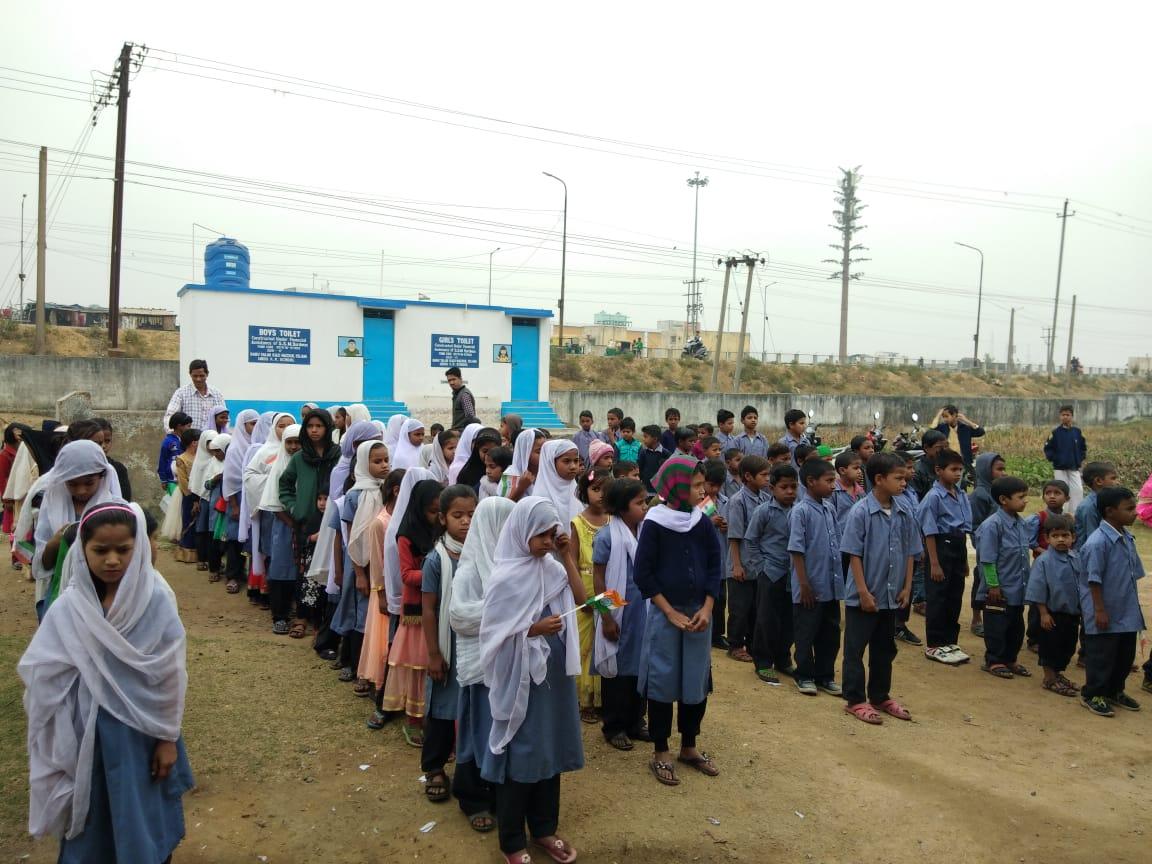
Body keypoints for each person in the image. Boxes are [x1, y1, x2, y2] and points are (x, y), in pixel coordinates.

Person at [19, 501, 193, 862]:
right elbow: (44, 668)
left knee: (141, 812)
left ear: (138, 548)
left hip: (140, 734)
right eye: (100, 550)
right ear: (82, 550)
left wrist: (167, 738)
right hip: (87, 735)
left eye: (123, 550)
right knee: (93, 814)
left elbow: (168, 674)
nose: (112, 560)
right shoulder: (71, 605)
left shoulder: (154, 600)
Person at [478, 496, 585, 863]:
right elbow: (492, 636)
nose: (546, 542)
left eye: (551, 534)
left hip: (554, 679)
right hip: (521, 678)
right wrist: (533, 629)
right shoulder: (505, 578)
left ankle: (544, 829)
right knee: (522, 751)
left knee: (549, 748)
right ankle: (512, 841)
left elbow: (581, 598)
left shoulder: (552, 569)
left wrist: (566, 556)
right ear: (522, 530)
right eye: (540, 535)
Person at [634, 457, 721, 787]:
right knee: (662, 680)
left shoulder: (701, 521)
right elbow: (643, 573)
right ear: (676, 487)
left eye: (702, 484)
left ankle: (689, 746)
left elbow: (714, 565)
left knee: (695, 681)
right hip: (666, 614)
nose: (702, 491)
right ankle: (661, 750)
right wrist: (669, 612)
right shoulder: (655, 523)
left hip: (699, 614)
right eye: (695, 485)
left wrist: (708, 607)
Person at [447, 495, 515, 833]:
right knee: (479, 732)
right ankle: (472, 797)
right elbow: (459, 616)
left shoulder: (516, 564)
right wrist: (504, 614)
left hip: (509, 667)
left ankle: (500, 795)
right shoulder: (470, 569)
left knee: (504, 735)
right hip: (480, 668)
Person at [839, 452, 921, 724]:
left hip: (891, 595)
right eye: (898, 478)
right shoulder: (861, 512)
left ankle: (880, 695)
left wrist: (907, 587)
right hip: (865, 596)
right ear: (879, 479)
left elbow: (911, 551)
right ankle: (855, 699)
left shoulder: (904, 510)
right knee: (855, 649)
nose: (904, 483)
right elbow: (854, 554)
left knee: (885, 649)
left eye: (905, 478)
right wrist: (863, 592)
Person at [421, 484, 480, 808]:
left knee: (471, 709)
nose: (466, 521)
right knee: (442, 711)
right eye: (458, 515)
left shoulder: (482, 552)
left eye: (472, 514)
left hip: (474, 643)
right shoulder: (436, 559)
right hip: (448, 645)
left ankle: (471, 771)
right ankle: (434, 768)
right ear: (443, 518)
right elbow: (429, 609)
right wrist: (434, 653)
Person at [382, 478, 445, 746]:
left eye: (440, 511)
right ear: (419, 508)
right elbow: (407, 575)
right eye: (432, 511)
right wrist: (439, 572)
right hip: (417, 611)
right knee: (418, 665)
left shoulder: (444, 531)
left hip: (441, 606)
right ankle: (414, 719)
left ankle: (435, 717)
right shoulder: (406, 535)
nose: (437, 517)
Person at [593, 477, 650, 751]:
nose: (645, 507)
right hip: (618, 612)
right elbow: (599, 579)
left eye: (645, 502)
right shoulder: (607, 536)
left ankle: (636, 720)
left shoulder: (646, 532)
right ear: (622, 507)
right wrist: (606, 617)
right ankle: (614, 725)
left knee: (642, 665)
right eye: (639, 503)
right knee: (617, 670)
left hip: (643, 610)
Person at [1077, 486, 1145, 717]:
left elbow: (1132, 574)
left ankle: (1115, 690)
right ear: (1110, 511)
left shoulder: (1127, 538)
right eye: (1129, 509)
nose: (1135, 513)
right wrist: (1099, 610)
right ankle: (1093, 694)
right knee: (1102, 656)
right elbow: (1093, 580)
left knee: (1124, 655)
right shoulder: (1097, 542)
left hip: (1125, 609)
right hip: (1104, 610)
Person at [337, 440, 392, 692]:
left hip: (383, 564)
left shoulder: (389, 491)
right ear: (362, 463)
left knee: (377, 618)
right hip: (361, 564)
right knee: (359, 616)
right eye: (377, 461)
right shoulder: (355, 495)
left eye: (386, 460)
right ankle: (355, 666)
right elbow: (352, 537)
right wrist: (359, 573)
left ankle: (376, 669)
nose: (384, 465)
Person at [788, 458, 843, 696]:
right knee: (806, 632)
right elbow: (796, 550)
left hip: (830, 585)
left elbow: (836, 544)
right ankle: (804, 674)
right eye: (829, 481)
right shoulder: (800, 511)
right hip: (810, 586)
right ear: (811, 482)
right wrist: (804, 584)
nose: (833, 486)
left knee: (830, 634)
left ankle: (825, 675)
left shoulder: (829, 509)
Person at [915, 449, 973, 666]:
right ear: (939, 470)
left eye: (960, 470)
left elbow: (964, 529)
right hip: (940, 546)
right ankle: (935, 644)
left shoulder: (961, 494)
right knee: (938, 596)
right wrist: (934, 563)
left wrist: (964, 560)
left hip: (958, 546)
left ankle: (950, 641)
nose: (958, 474)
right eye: (953, 469)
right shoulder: (933, 497)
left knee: (954, 595)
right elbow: (929, 531)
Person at [974, 476, 1032, 680]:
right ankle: (994, 660)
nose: (1025, 501)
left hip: (1017, 588)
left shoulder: (1021, 523)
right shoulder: (993, 525)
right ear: (1003, 500)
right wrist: (993, 585)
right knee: (997, 627)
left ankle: (1010, 658)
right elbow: (988, 559)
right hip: (999, 590)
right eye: (1020, 497)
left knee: (1016, 627)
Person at [747, 463, 798, 684]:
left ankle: (783, 659)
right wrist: (762, 567)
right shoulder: (763, 511)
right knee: (767, 619)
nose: (789, 491)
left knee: (790, 619)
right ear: (772, 488)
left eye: (793, 487)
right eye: (784, 487)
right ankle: (763, 662)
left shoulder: (800, 510)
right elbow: (751, 540)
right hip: (771, 572)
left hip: (794, 574)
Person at [362, 468, 406, 728]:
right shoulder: (381, 522)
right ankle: (382, 691)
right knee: (385, 643)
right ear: (397, 491)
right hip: (386, 591)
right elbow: (377, 563)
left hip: (403, 591)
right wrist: (380, 593)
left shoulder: (407, 518)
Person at [1024, 515, 1082, 697]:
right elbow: (1038, 588)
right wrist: (1043, 613)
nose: (1061, 539)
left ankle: (1057, 674)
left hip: (1071, 613)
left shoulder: (1076, 558)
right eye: (1055, 536)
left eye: (1065, 535)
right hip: (1051, 614)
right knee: (1050, 647)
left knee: (1067, 646)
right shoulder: (1044, 561)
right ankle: (1049, 678)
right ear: (1047, 538)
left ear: (1073, 537)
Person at [570, 467, 611, 723]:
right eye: (596, 489)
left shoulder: (614, 520)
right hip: (585, 587)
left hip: (608, 584)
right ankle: (585, 700)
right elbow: (572, 561)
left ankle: (604, 697)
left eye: (606, 490)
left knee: (605, 638)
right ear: (585, 492)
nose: (601, 495)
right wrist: (580, 595)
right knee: (585, 643)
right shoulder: (577, 523)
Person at [725, 454, 771, 664]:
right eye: (763, 475)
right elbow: (735, 536)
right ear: (748, 476)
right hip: (741, 562)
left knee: (756, 608)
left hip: (758, 564)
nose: (767, 478)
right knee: (740, 608)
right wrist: (736, 565)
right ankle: (735, 645)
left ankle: (753, 644)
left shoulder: (765, 499)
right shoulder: (738, 501)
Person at [260, 423, 303, 634]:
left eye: (298, 442)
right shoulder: (279, 467)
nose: (293, 447)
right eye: (289, 442)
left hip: (306, 526)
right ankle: (280, 615)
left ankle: (301, 614)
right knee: (281, 569)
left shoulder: (307, 465)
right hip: (285, 525)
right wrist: (293, 524)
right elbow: (275, 503)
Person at [968, 451, 1006, 638]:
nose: (1003, 473)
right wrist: (981, 545)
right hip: (985, 546)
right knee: (981, 580)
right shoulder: (979, 495)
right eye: (998, 469)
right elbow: (974, 524)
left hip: (1001, 547)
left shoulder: (999, 492)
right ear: (985, 470)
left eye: (1004, 469)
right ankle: (977, 618)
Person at [1043, 405, 1087, 513]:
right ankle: (1062, 513)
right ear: (1060, 416)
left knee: (1077, 490)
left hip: (1074, 466)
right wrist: (1055, 459)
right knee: (1061, 490)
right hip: (1060, 468)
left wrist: (1080, 459)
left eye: (1068, 415)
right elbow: (1048, 448)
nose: (1065, 417)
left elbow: (1083, 447)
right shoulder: (1055, 433)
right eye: (1063, 415)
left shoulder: (1077, 432)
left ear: (1072, 416)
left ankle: (1076, 513)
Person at [163, 358, 225, 432]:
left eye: (201, 376)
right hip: (187, 438)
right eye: (195, 376)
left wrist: (221, 435)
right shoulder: (181, 393)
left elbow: (225, 418)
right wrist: (173, 433)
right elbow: (170, 415)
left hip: (211, 438)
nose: (198, 379)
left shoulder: (217, 394)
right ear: (190, 374)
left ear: (207, 374)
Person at [1073, 461, 1119, 550]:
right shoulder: (1088, 507)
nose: (1117, 482)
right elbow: (1093, 537)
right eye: (1113, 478)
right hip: (1088, 552)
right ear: (1098, 481)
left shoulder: (1108, 501)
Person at [932, 404, 985, 468]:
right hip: (947, 462)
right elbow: (931, 431)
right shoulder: (942, 428)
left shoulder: (965, 428)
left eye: (946, 416)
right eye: (943, 417)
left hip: (964, 462)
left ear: (954, 415)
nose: (945, 419)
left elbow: (981, 432)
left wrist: (967, 421)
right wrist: (938, 415)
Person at [157, 412, 192, 492]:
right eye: (188, 426)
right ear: (179, 426)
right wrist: (163, 480)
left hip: (185, 479)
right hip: (172, 481)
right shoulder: (168, 442)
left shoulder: (186, 440)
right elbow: (162, 460)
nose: (189, 428)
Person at [910, 430, 948, 501]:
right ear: (926, 448)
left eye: (946, 447)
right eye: (939, 447)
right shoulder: (916, 471)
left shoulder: (947, 467)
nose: (944, 450)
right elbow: (914, 500)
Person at [638, 424, 669, 493]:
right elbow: (640, 469)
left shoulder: (666, 453)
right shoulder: (643, 452)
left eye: (646, 437)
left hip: (660, 491)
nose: (643, 439)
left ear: (655, 439)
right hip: (646, 489)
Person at [446, 367, 478, 431]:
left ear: (460, 379)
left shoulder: (464, 395)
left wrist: (466, 432)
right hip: (457, 430)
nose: (451, 383)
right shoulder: (457, 394)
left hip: (463, 431)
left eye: (454, 379)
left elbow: (471, 417)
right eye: (449, 380)